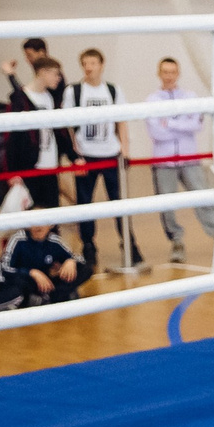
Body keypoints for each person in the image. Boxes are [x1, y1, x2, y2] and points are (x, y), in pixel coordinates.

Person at [143, 56, 214, 263]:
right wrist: (181, 124)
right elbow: (157, 132)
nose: (169, 76)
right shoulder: (152, 100)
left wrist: (170, 124)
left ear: (178, 73)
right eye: (165, 72)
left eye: (172, 72)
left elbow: (196, 126)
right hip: (164, 161)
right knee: (167, 204)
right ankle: (176, 241)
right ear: (159, 74)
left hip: (190, 158)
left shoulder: (191, 97)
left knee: (203, 197)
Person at [68, 48, 131, 269]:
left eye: (93, 63)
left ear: (101, 65)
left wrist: (125, 149)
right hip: (86, 156)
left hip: (110, 155)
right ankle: (88, 246)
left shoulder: (113, 90)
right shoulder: (74, 91)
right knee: (85, 204)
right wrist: (75, 155)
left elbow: (122, 120)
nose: (89, 67)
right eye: (85, 63)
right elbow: (67, 125)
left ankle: (129, 243)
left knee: (118, 201)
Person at [0, 55, 73, 211]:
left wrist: (74, 157)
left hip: (51, 166)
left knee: (52, 215)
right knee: (31, 217)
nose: (58, 78)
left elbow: (60, 132)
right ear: (43, 72)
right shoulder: (21, 100)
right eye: (55, 73)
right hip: (30, 167)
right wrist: (12, 172)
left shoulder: (52, 97)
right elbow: (12, 139)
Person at [3, 220, 89, 304]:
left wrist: (71, 261)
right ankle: (32, 299)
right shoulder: (18, 239)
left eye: (43, 222)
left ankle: (55, 296)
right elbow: (4, 268)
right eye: (34, 222)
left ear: (51, 225)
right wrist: (32, 272)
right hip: (26, 281)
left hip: (47, 283)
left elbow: (80, 259)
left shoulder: (54, 240)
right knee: (17, 282)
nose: (38, 226)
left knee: (85, 269)